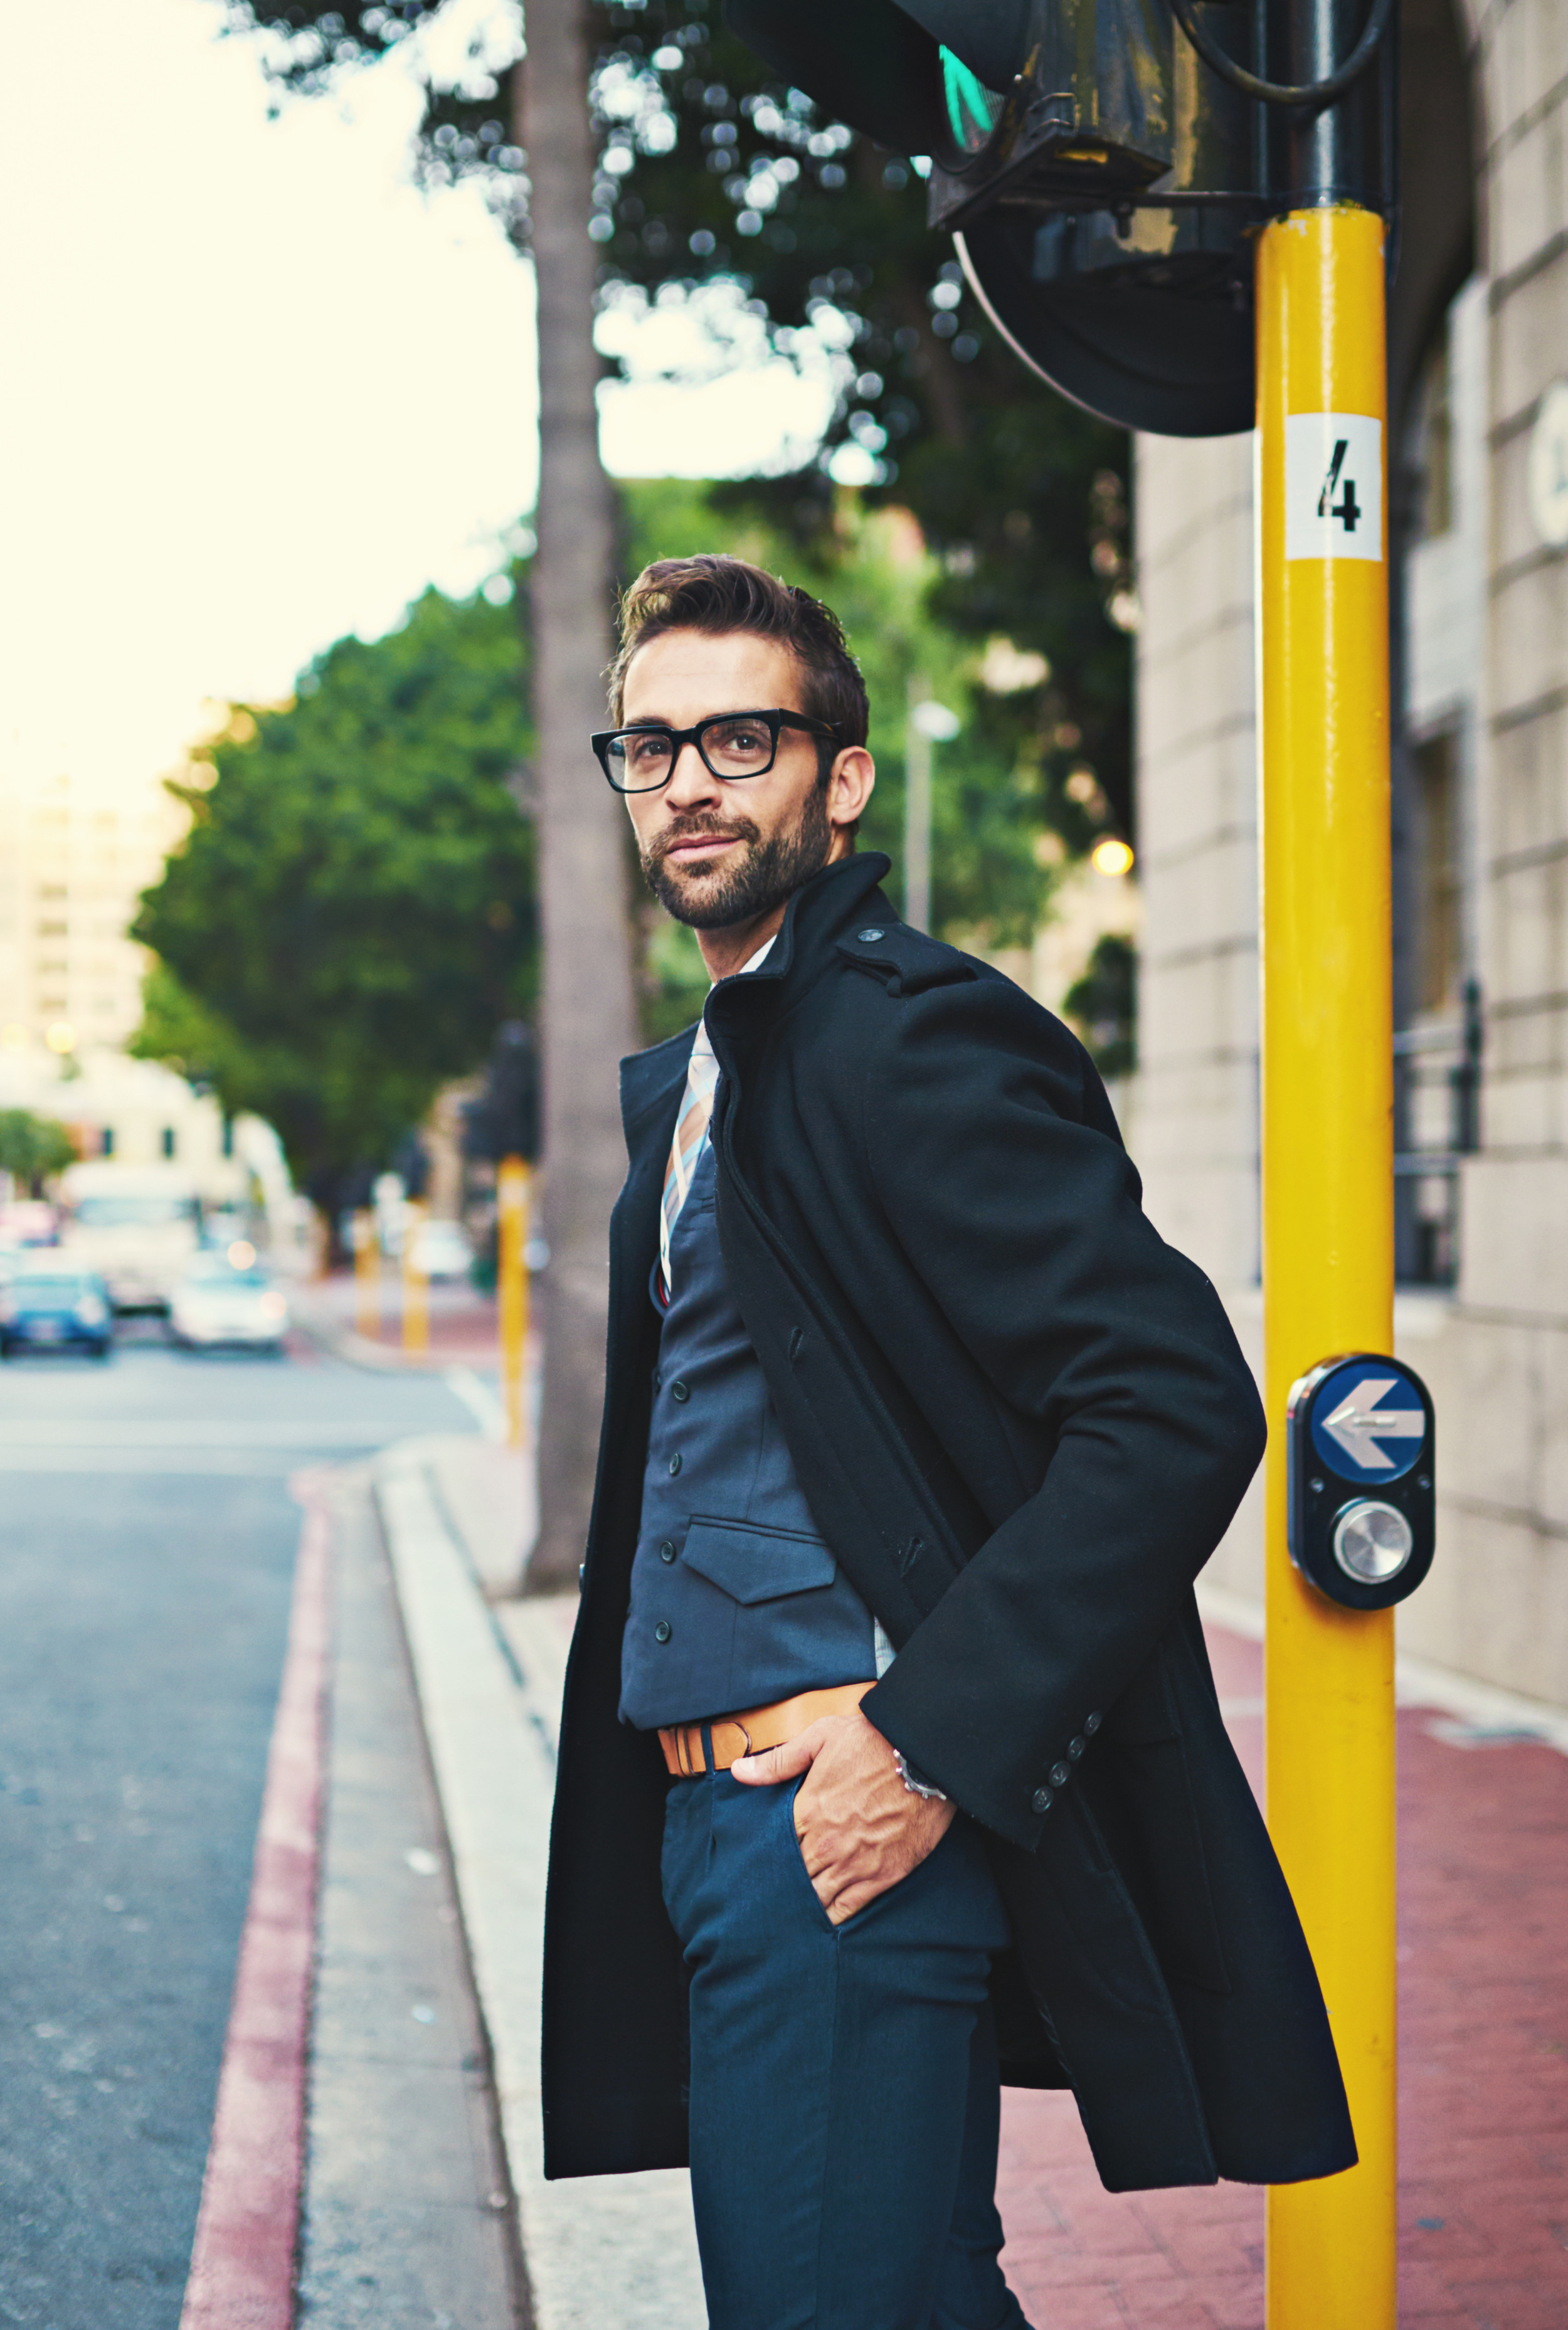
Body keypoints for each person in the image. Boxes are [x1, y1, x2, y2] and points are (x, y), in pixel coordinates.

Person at [541, 555, 1354, 2330]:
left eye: (737, 738)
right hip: (721, 1826)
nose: (686, 781)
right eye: (650, 744)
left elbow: (1171, 1401)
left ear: (837, 778)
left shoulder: (903, 1035)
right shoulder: (707, 1074)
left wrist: (919, 1738)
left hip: (838, 1823)